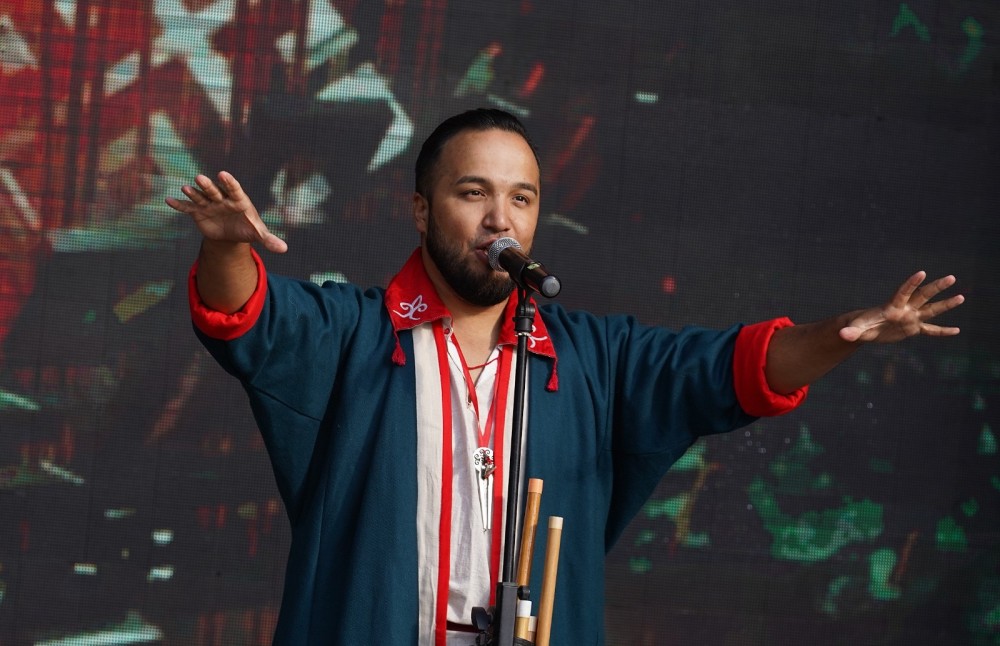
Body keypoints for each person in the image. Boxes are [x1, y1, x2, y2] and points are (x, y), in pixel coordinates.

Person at [166, 108, 964, 645]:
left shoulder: (592, 356)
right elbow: (247, 317)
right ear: (421, 210)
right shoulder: (354, 333)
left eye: (522, 198)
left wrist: (841, 335)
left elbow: (730, 369)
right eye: (473, 193)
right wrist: (226, 244)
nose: (500, 220)